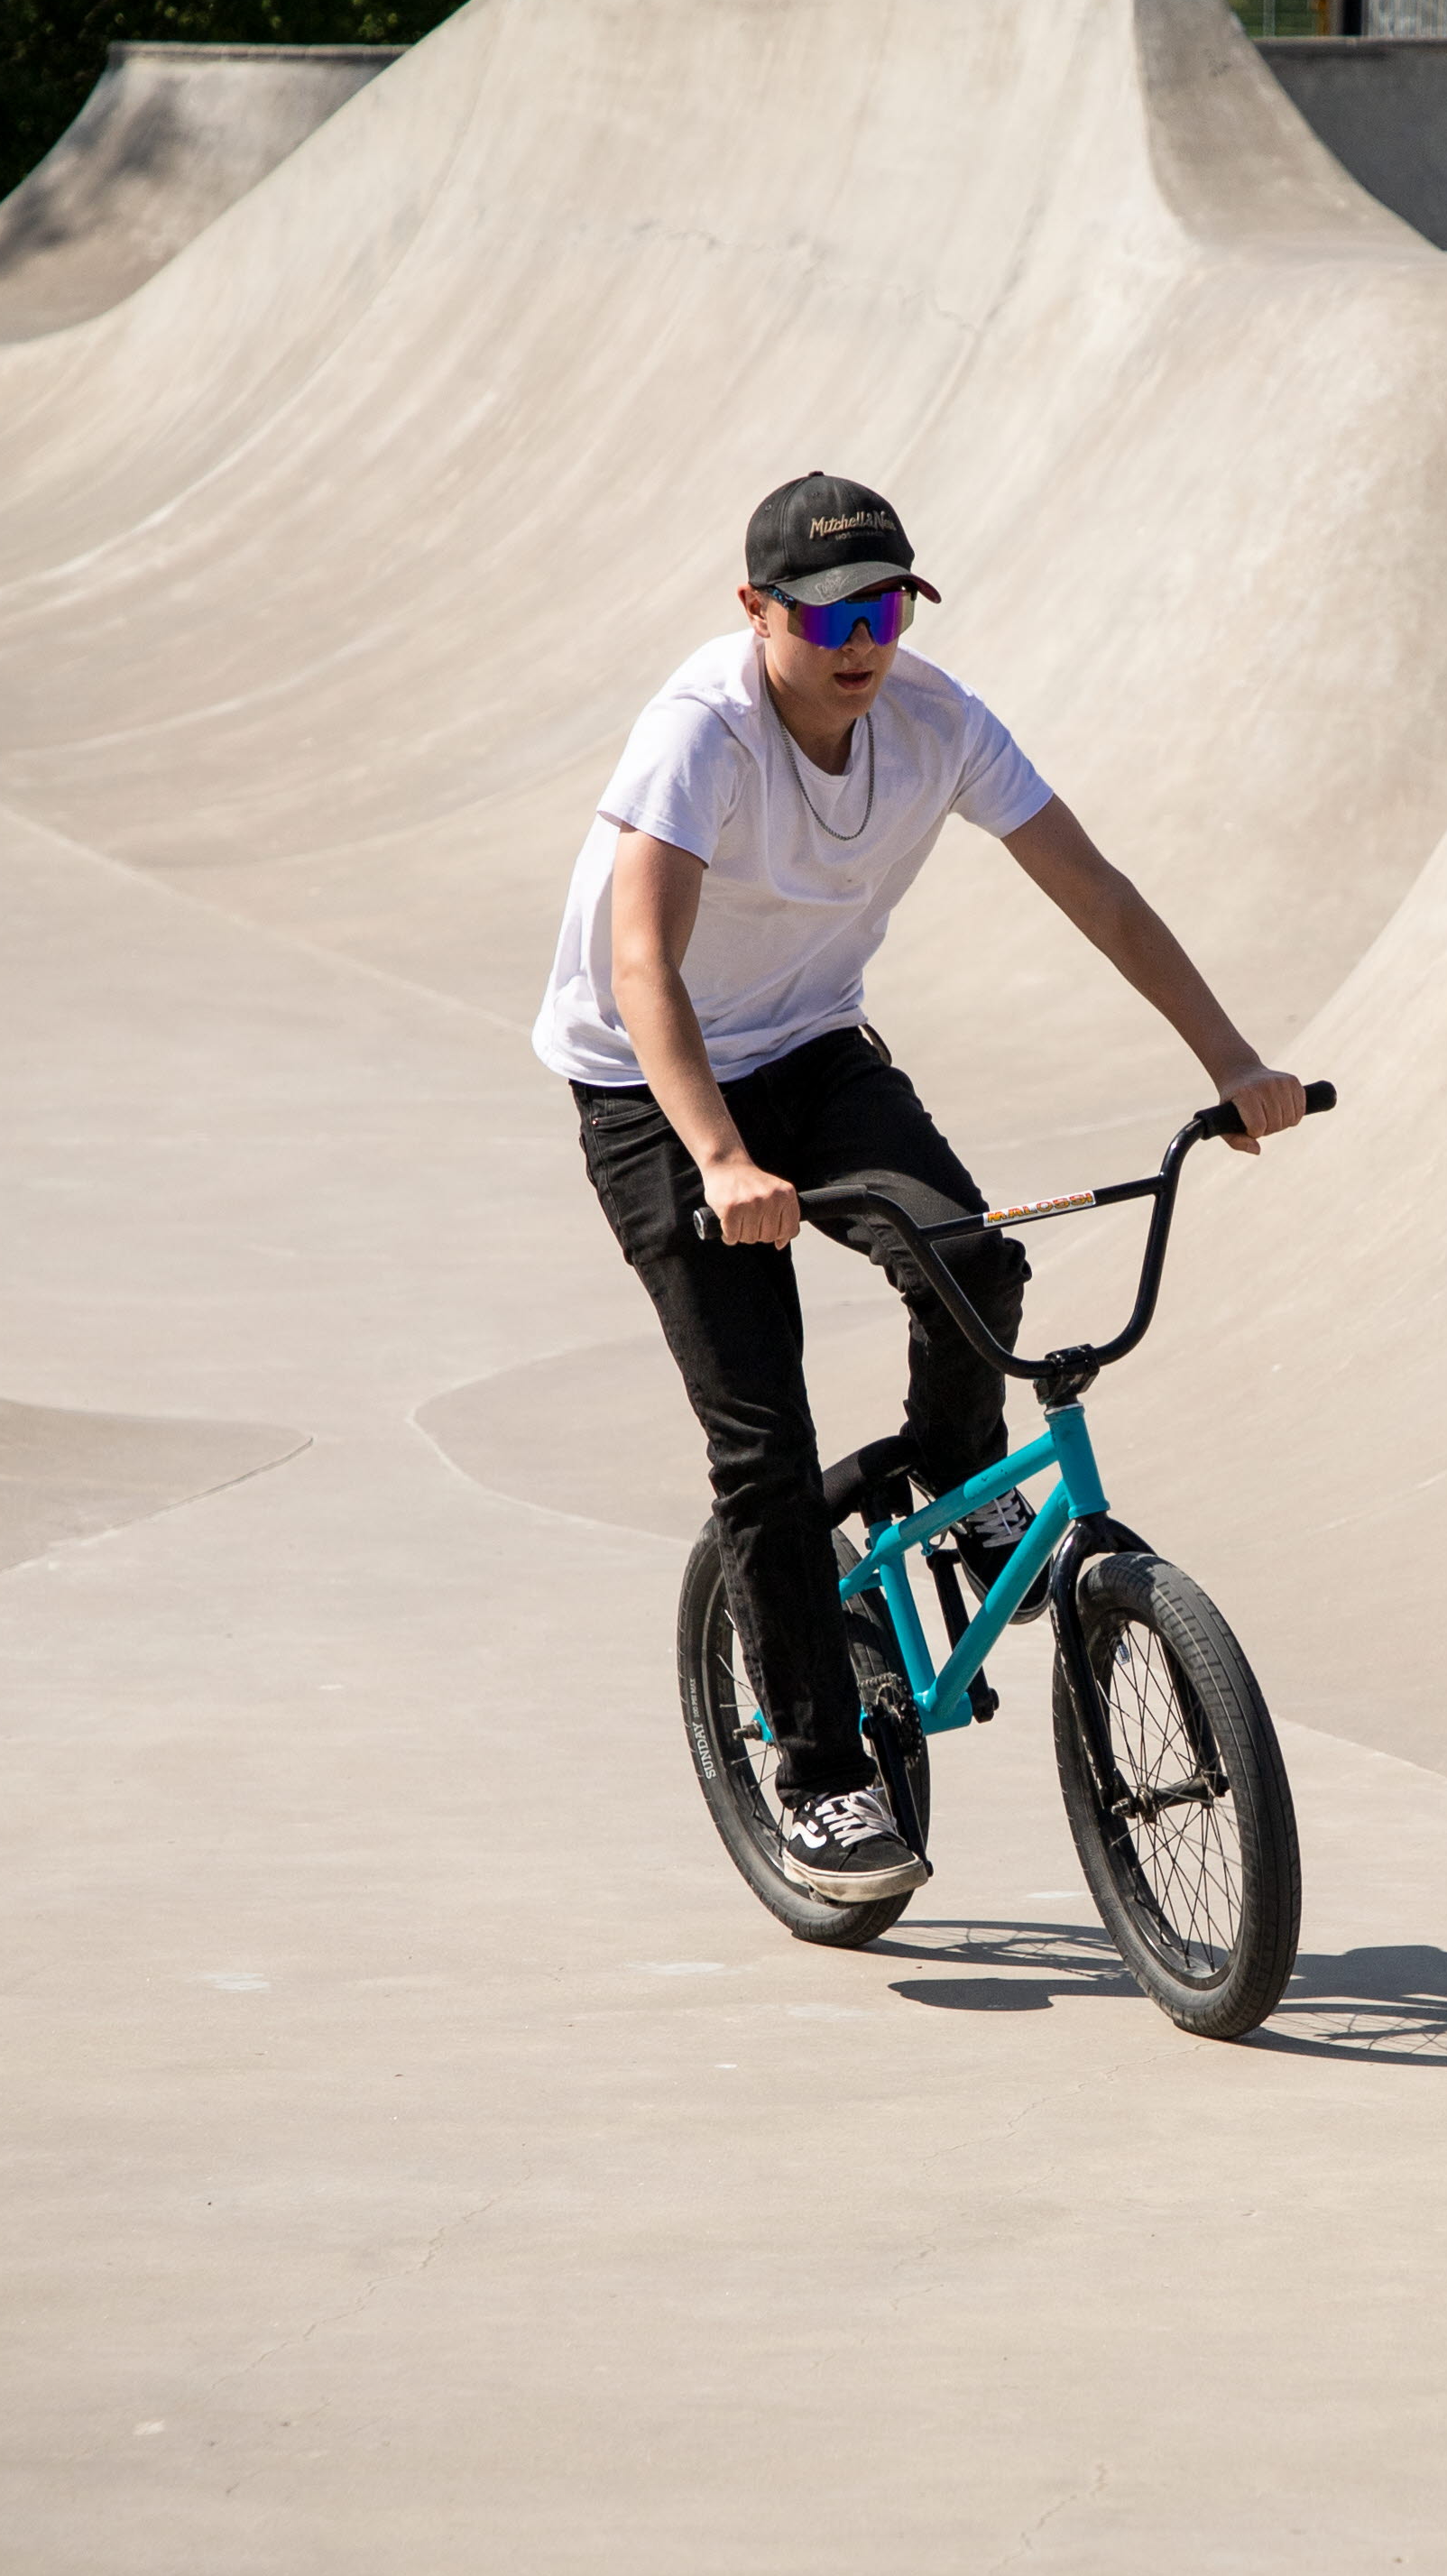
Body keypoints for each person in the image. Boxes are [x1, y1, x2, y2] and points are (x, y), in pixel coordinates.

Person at [541, 473, 1306, 1908]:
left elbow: (1098, 890)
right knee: (763, 1444)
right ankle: (818, 1776)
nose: (862, 646)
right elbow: (640, 962)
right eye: (830, 617)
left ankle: (955, 1476)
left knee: (976, 1259)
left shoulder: (936, 721)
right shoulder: (701, 732)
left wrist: (1233, 1059)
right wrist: (721, 1158)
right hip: (652, 1084)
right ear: (757, 610)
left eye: (886, 612)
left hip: (814, 1052)